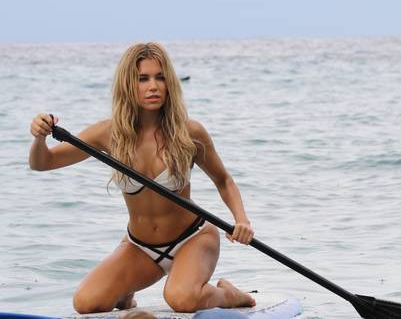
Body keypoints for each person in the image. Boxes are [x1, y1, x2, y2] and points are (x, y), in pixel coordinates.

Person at [29, 43, 256, 313]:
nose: (153, 86)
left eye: (160, 77)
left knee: (182, 299)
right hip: (140, 247)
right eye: (143, 79)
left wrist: (241, 220)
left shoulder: (189, 133)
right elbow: (43, 163)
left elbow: (223, 180)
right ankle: (126, 295)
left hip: (193, 238)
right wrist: (40, 137)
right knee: (86, 303)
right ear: (128, 84)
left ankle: (228, 294)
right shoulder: (108, 133)